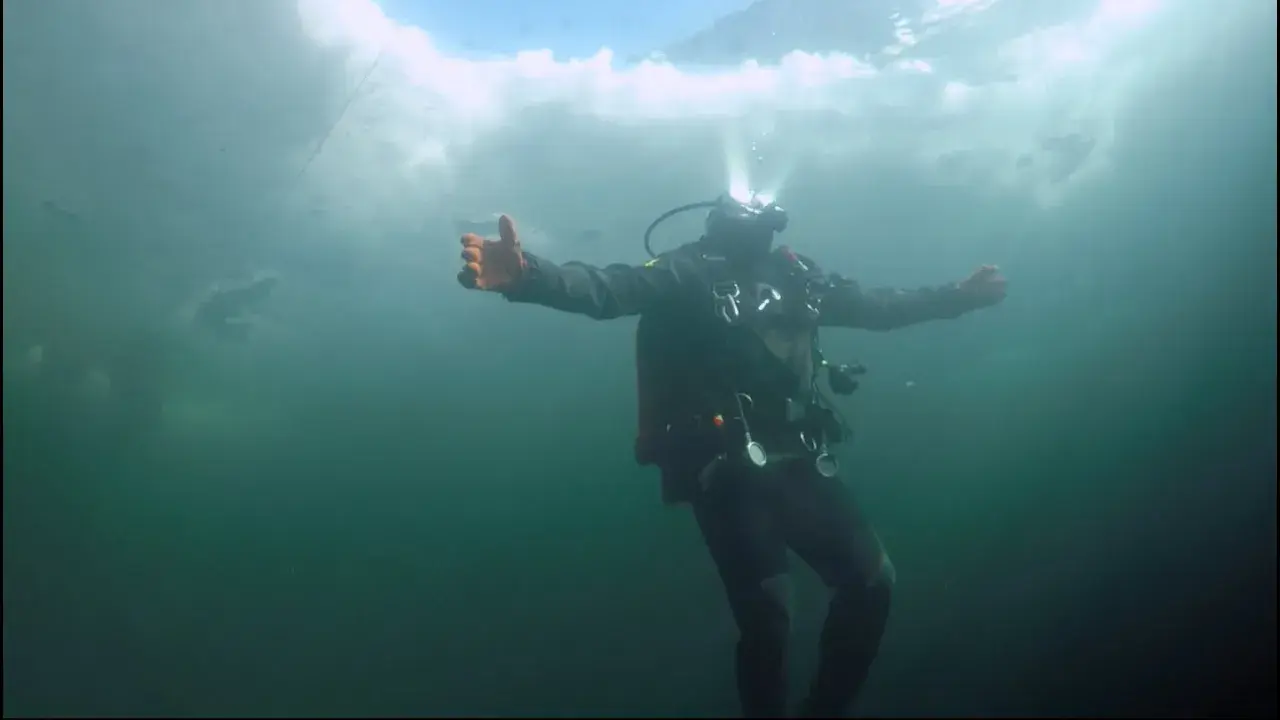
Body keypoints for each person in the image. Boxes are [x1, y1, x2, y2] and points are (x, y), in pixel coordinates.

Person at [456, 194, 1007, 718]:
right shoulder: (687, 269)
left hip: (800, 459)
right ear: (720, 213)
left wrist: (959, 296)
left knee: (873, 583)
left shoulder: (800, 275)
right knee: (770, 621)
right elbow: (608, 289)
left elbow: (880, 306)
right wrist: (528, 276)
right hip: (727, 471)